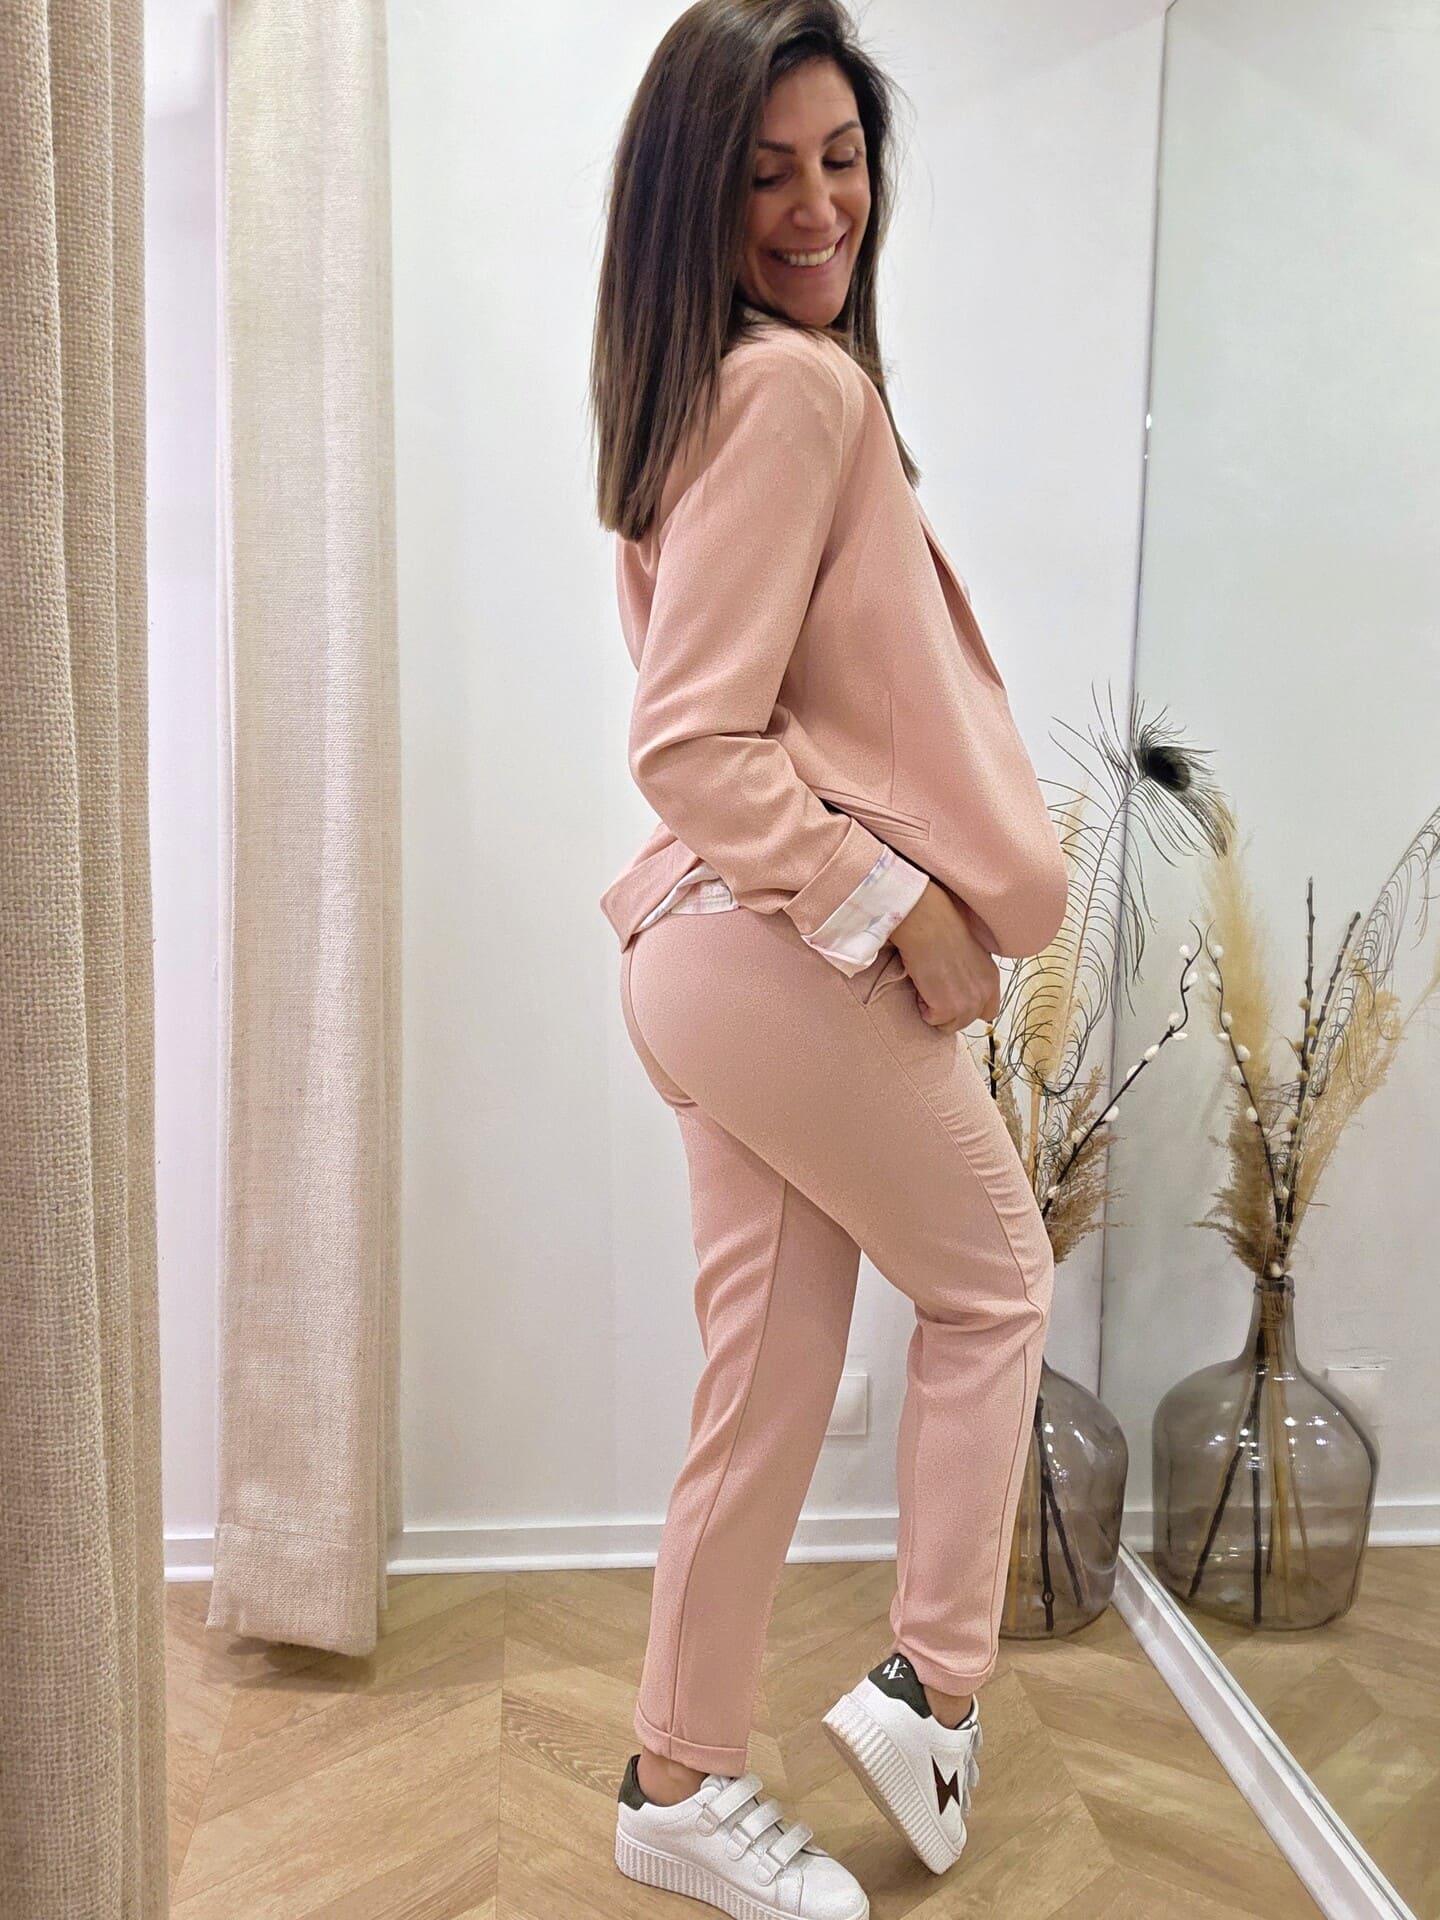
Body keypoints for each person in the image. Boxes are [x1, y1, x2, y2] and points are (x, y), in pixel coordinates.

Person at [590, 5, 1069, 1914]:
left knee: (770, 1386)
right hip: (774, 948)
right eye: (766, 172)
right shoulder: (795, 394)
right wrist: (902, 907)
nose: (816, 208)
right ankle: (934, 1694)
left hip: (706, 956)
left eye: (842, 160)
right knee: (998, 1286)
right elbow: (690, 742)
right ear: (694, 201)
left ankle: (677, 1786)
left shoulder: (699, 395)